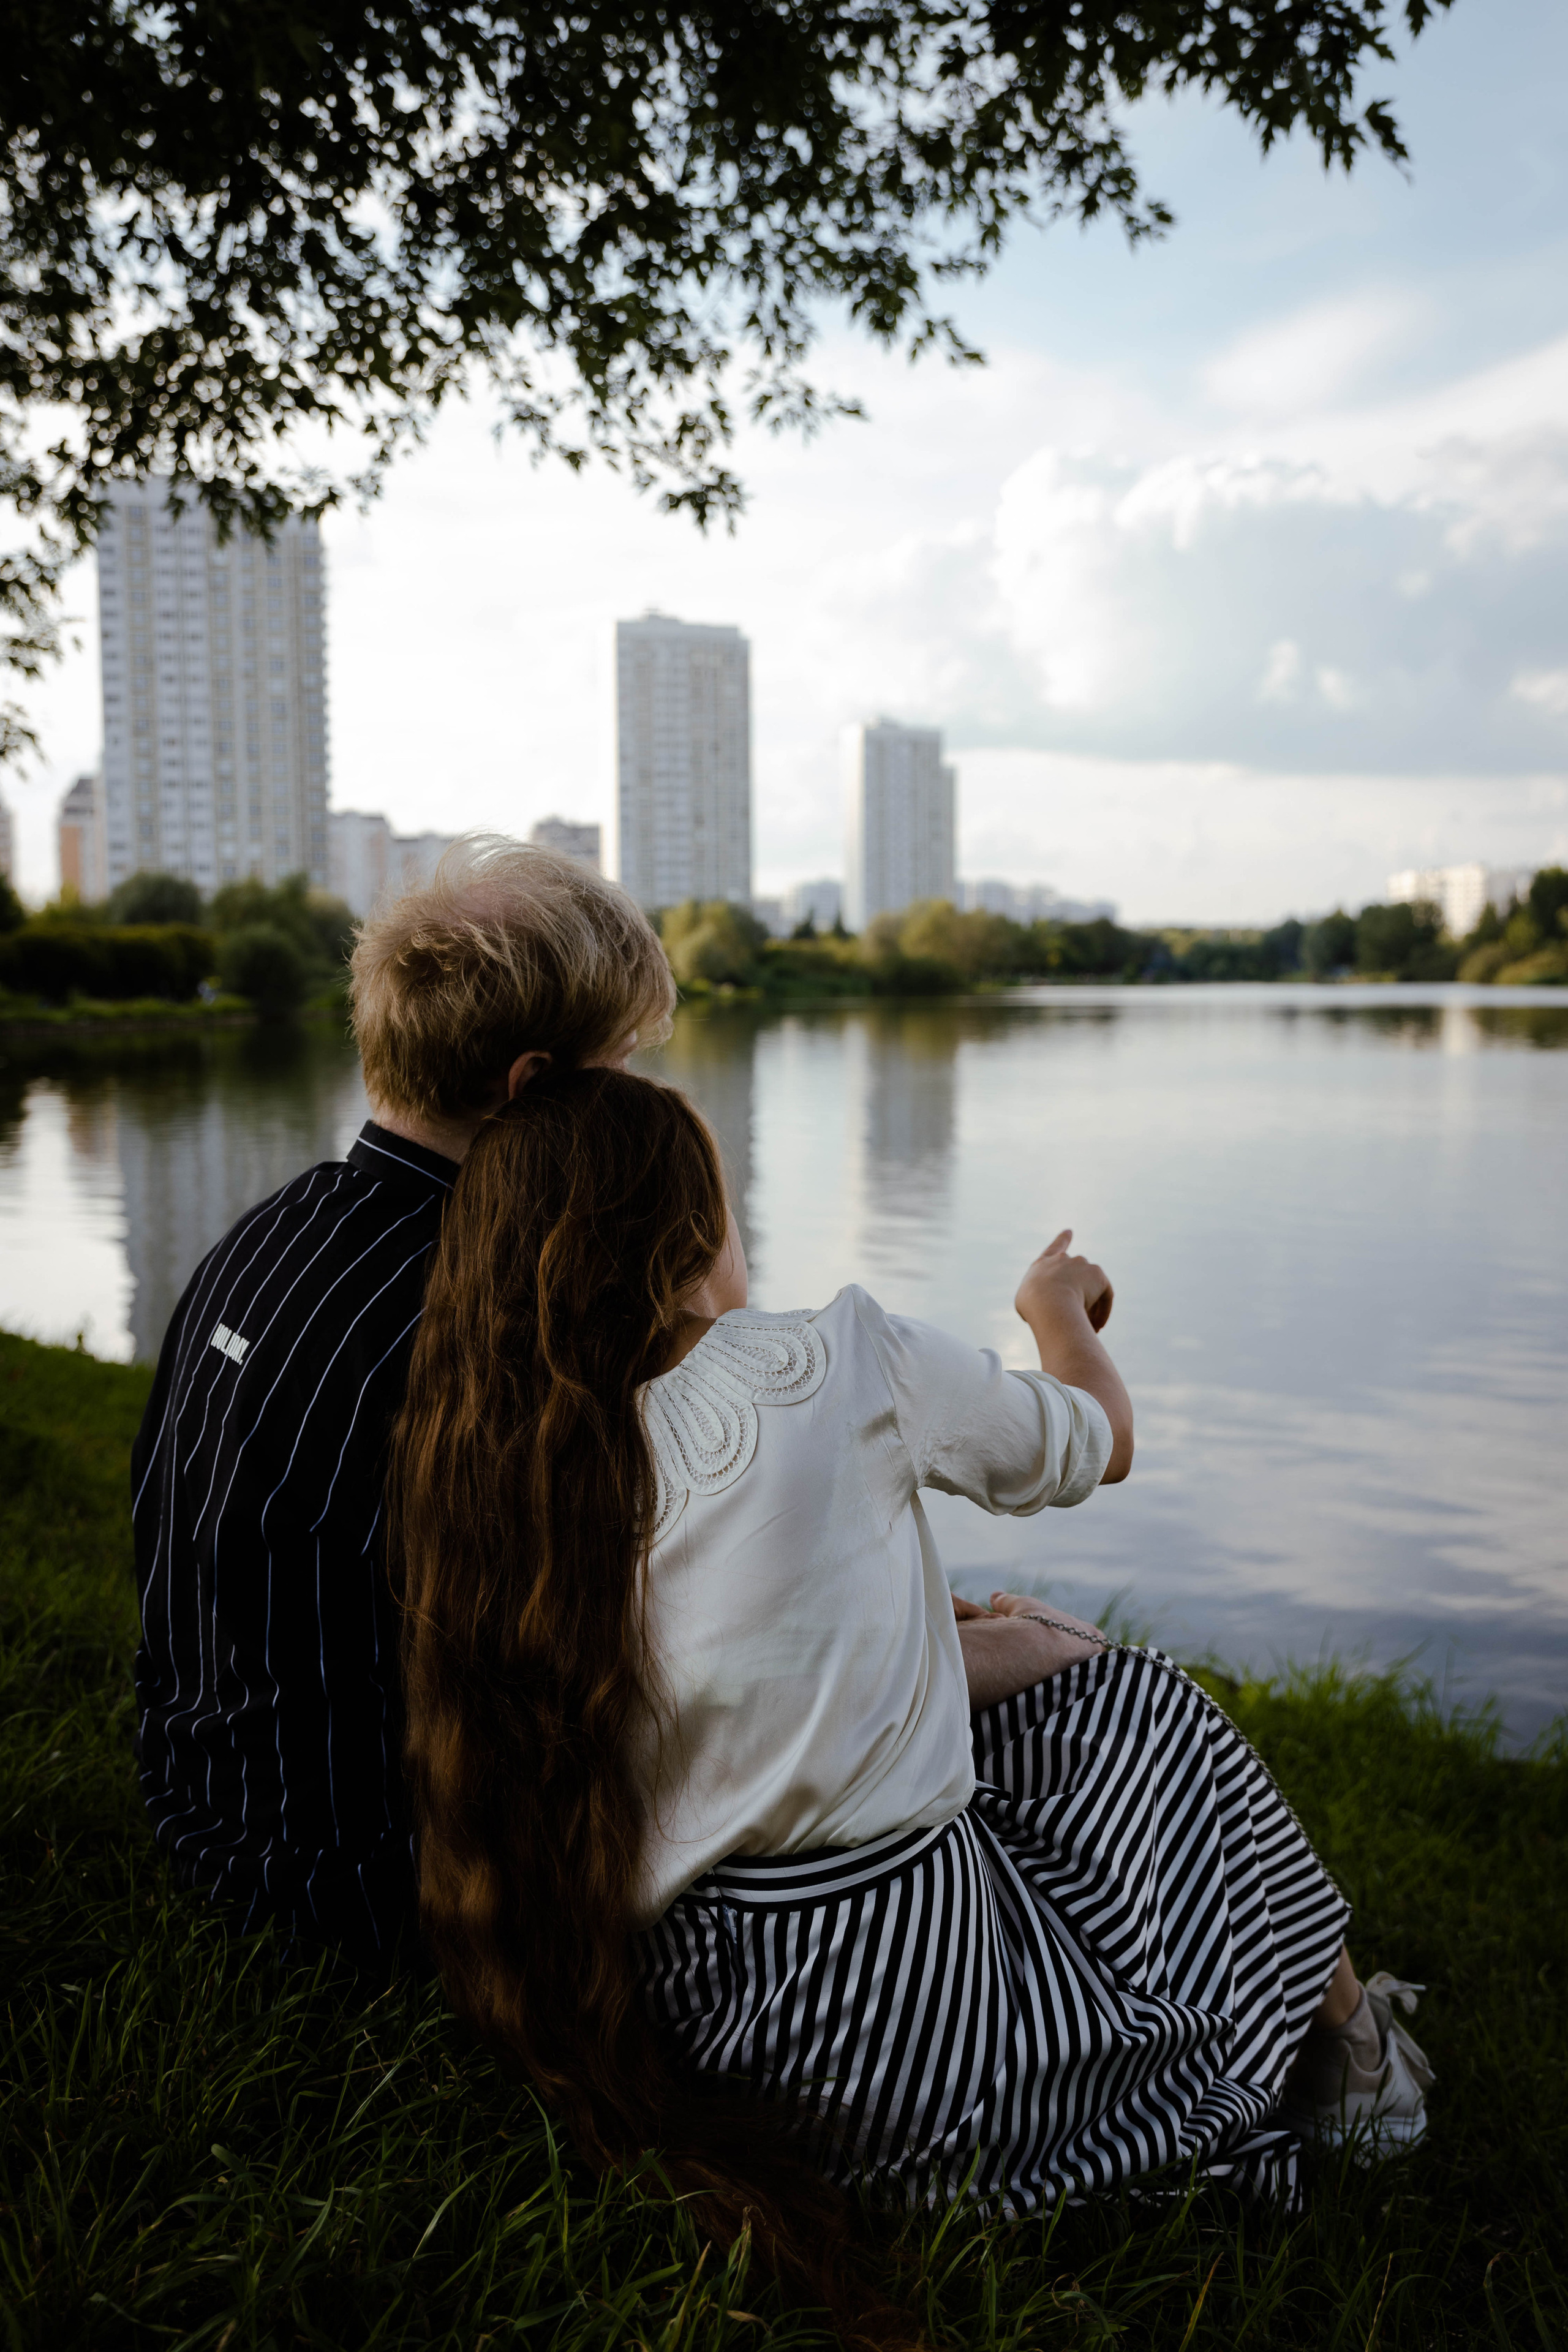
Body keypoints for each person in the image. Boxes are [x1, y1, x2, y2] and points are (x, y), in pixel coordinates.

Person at [391, 1069, 1432, 2319]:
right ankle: (1355, 2069)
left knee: (1032, 1686)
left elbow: (749, 1656)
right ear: (685, 1241)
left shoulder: (495, 1461)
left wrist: (961, 1640)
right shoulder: (830, 1358)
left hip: (712, 2026)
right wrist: (1059, 1313)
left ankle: (1310, 2031)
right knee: (1147, 1708)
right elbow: (1094, 1438)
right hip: (925, 2043)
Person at [131, 838, 674, 1964]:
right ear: (533, 1090)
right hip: (369, 1882)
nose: (637, 1102)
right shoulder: (481, 1310)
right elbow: (591, 1641)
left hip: (204, 1813)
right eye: (621, 1068)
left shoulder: (265, 1234)